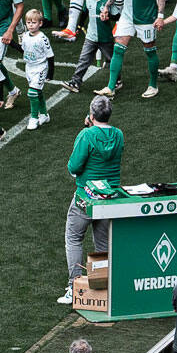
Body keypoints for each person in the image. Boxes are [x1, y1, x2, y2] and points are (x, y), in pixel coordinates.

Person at [57, 95, 122, 304]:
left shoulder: (86, 135)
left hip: (86, 197)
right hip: (109, 197)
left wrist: (85, 129)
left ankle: (74, 287)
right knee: (102, 242)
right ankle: (102, 286)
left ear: (91, 115)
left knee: (74, 238)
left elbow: (73, 167)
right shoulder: (118, 135)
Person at [93, 0, 166, 99]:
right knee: (118, 49)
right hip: (127, 16)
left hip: (146, 18)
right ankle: (111, 87)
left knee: (150, 52)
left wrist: (160, 15)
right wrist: (107, 5)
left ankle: (153, 85)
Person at [62, 0, 115, 93]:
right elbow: (85, 12)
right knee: (84, 59)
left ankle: (117, 80)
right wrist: (79, 26)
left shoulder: (107, 2)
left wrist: (108, 17)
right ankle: (75, 82)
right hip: (90, 37)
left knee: (112, 59)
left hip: (105, 38)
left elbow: (117, 16)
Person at [22, 9, 56, 129]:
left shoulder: (43, 38)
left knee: (32, 93)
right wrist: (11, 44)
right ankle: (45, 115)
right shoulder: (25, 36)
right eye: (28, 22)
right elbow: (24, 50)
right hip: (29, 67)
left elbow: (50, 56)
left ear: (40, 23)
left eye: (34, 22)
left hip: (40, 68)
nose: (31, 25)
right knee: (37, 92)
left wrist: (50, 73)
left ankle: (34, 118)